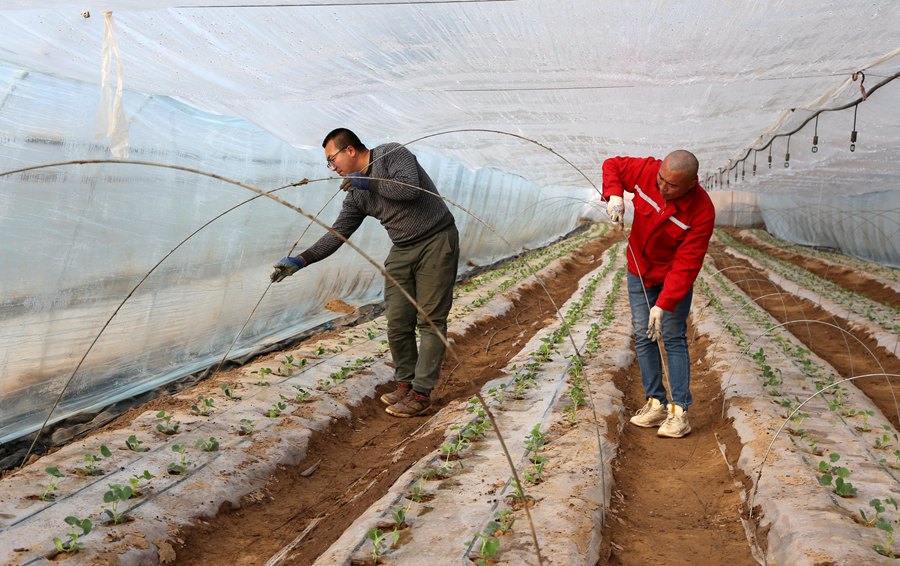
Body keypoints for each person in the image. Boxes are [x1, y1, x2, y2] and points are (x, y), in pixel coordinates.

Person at [270, 128, 459, 418]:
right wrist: (301, 260)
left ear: (350, 150)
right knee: (397, 321)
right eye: (329, 164)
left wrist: (367, 182)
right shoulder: (358, 193)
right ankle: (405, 384)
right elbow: (338, 233)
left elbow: (408, 189)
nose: (332, 168)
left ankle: (421, 394)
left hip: (436, 239)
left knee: (430, 320)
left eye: (332, 160)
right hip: (402, 248)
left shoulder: (392, 154)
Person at [601, 150, 715, 438]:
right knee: (643, 334)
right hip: (638, 269)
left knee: (672, 335)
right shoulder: (648, 172)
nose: (662, 187)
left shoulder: (702, 211)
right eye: (661, 180)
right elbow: (612, 164)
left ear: (692, 184)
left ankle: (679, 412)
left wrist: (663, 304)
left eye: (671, 185)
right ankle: (655, 403)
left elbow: (688, 263)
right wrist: (615, 195)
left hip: (671, 277)